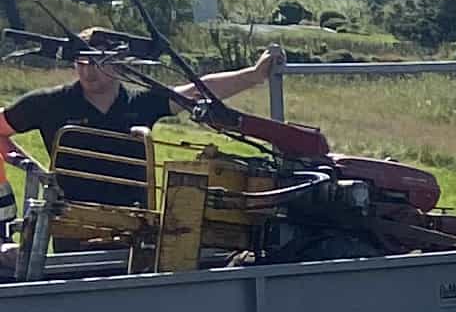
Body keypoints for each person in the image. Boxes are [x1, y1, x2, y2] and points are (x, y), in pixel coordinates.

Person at [3, 29, 276, 227]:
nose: (88, 71)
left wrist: (254, 75)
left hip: (134, 224)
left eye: (97, 62)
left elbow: (197, 90)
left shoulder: (142, 102)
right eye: (81, 62)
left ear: (119, 62)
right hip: (72, 221)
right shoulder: (49, 103)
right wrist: (35, 170)